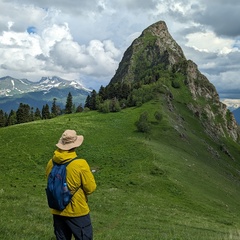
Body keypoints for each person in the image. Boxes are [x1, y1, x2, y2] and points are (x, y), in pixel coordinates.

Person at [46, 129, 97, 240]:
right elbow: (90, 188)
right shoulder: (80, 164)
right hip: (77, 212)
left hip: (57, 211)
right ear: (75, 146)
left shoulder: (51, 162)